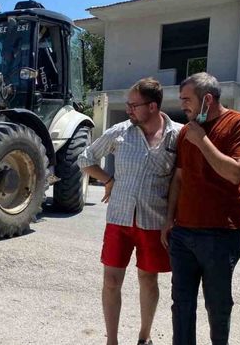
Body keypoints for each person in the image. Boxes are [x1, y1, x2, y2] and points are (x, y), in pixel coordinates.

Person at [78, 77, 182, 345]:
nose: (128, 110)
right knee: (111, 281)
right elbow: (86, 159)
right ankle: (111, 340)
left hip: (153, 221)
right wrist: (108, 180)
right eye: (128, 104)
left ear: (153, 106)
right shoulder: (120, 132)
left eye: (134, 105)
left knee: (148, 280)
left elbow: (181, 180)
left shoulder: (178, 135)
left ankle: (144, 337)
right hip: (119, 220)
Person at [161, 72, 240, 345]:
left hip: (221, 234)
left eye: (187, 100)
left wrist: (202, 140)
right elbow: (178, 178)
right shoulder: (186, 131)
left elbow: (236, 173)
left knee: (217, 305)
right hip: (183, 233)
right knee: (181, 305)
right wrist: (169, 220)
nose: (183, 105)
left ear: (208, 100)